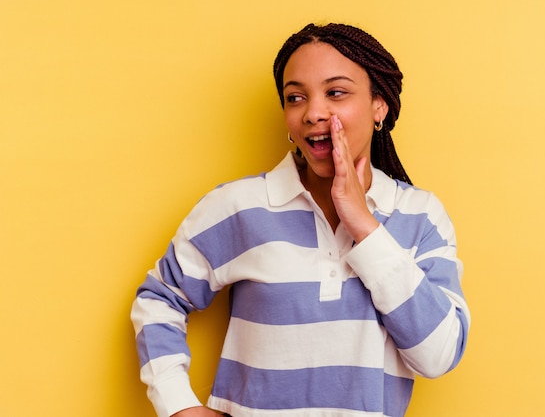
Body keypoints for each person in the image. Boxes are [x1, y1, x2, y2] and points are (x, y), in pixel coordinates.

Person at [131, 22, 470, 417]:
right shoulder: (240, 206)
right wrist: (178, 405)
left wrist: (364, 224)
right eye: (296, 98)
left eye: (336, 93)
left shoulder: (420, 217)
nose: (313, 113)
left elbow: (439, 356)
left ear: (380, 105)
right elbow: (159, 298)